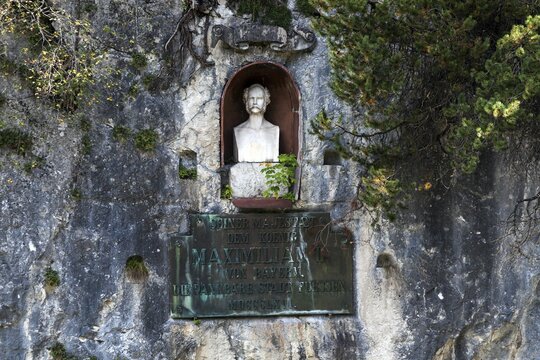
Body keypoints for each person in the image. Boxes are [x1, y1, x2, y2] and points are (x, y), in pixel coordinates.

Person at [234, 84, 279, 162]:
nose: (255, 102)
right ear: (246, 101)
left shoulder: (274, 130)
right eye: (251, 98)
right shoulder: (238, 131)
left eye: (259, 98)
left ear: (266, 101)